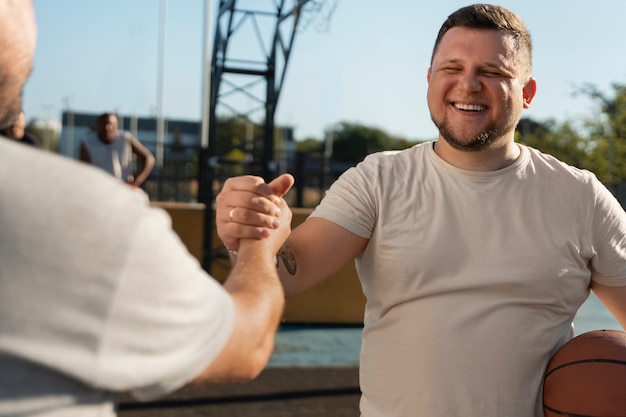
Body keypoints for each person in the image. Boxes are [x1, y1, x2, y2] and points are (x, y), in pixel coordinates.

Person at [215, 4, 626, 416]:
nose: (469, 84)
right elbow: (291, 272)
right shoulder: (378, 179)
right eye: (452, 67)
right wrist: (253, 235)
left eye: (494, 72)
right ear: (430, 79)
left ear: (527, 93)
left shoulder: (580, 197)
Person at [0, 1, 293, 416]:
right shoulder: (89, 216)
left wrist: (130, 185)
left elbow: (143, 161)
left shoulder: (105, 177)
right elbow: (247, 343)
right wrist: (261, 241)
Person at [80, 113, 155, 186]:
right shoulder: (87, 142)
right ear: (98, 125)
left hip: (122, 186)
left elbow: (149, 158)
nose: (107, 127)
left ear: (116, 125)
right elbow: (85, 168)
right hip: (99, 187)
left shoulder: (125, 138)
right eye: (103, 124)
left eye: (110, 124)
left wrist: (136, 180)